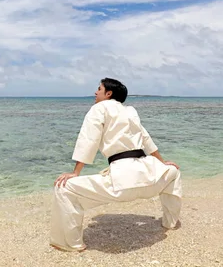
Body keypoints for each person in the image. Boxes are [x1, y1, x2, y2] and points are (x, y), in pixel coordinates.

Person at [50, 78, 182, 252]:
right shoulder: (130, 111)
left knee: (64, 188)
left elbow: (89, 140)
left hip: (122, 184)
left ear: (108, 94)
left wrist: (76, 172)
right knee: (174, 172)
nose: (95, 92)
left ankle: (72, 244)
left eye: (99, 89)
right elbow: (146, 138)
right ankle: (170, 222)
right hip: (150, 179)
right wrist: (162, 163)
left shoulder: (99, 108)